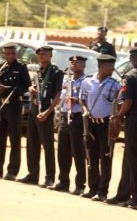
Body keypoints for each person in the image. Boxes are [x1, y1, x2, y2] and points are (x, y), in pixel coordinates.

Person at [105, 47, 137, 208]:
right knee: (131, 158)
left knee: (131, 159)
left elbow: (128, 101)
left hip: (133, 120)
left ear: (132, 59)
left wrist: (119, 116)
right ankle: (123, 193)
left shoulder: (129, 76)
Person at [0, 45, 30, 181]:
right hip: (0, 106)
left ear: (16, 54)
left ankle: (12, 171)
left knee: (14, 140)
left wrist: (8, 89)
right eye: (7, 53)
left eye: (12, 53)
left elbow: (26, 85)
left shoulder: (21, 67)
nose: (10, 55)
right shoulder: (1, 65)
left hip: (14, 106)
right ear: (4, 54)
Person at [18, 45, 64, 188]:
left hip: (46, 109)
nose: (42, 56)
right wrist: (30, 89)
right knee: (32, 143)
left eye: (45, 54)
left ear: (50, 55)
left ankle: (49, 177)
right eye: (40, 54)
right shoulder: (39, 70)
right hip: (34, 107)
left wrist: (48, 111)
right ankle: (33, 174)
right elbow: (33, 86)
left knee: (47, 145)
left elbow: (58, 94)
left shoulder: (56, 72)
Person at [79, 54, 121, 202]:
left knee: (106, 157)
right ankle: (92, 188)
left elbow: (119, 103)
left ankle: (102, 191)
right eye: (110, 66)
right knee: (91, 156)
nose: (112, 69)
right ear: (102, 66)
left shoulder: (115, 84)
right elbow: (82, 98)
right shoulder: (87, 81)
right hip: (90, 123)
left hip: (105, 124)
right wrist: (85, 110)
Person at [49, 56, 87, 195]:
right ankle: (63, 182)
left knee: (78, 153)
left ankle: (80, 184)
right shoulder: (66, 79)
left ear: (83, 66)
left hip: (77, 118)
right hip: (65, 116)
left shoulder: (86, 81)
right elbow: (60, 96)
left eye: (78, 63)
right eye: (72, 62)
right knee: (63, 151)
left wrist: (77, 100)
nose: (74, 64)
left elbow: (88, 100)